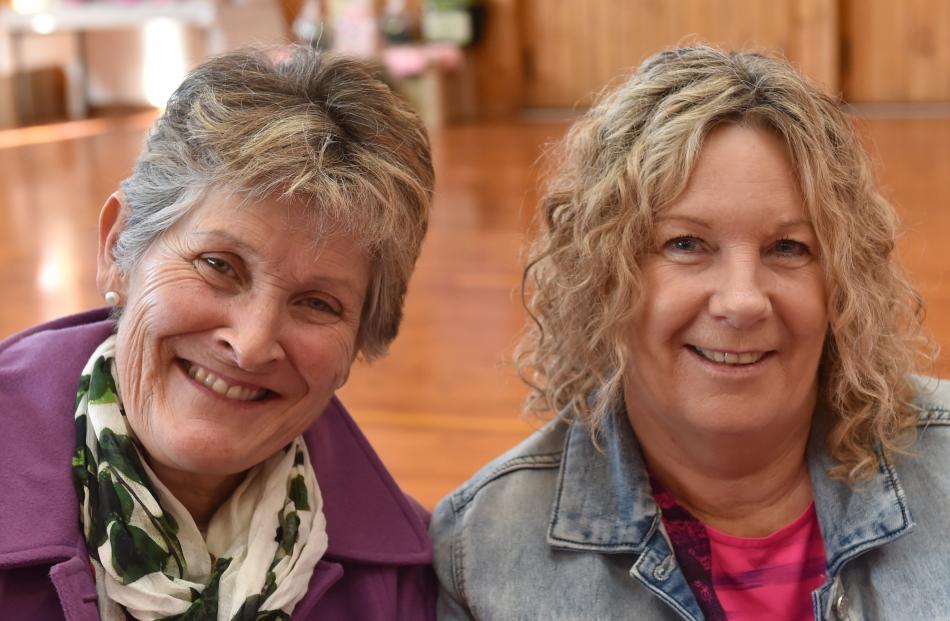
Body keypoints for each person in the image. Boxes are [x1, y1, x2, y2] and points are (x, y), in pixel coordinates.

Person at [430, 46, 950, 620]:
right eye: (686, 244)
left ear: (843, 283)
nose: (743, 300)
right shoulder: (483, 551)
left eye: (788, 248)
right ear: (602, 274)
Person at [0, 47, 436, 620]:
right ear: (117, 247)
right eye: (219, 265)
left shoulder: (404, 586)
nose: (252, 343)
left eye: (317, 303)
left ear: (358, 343)